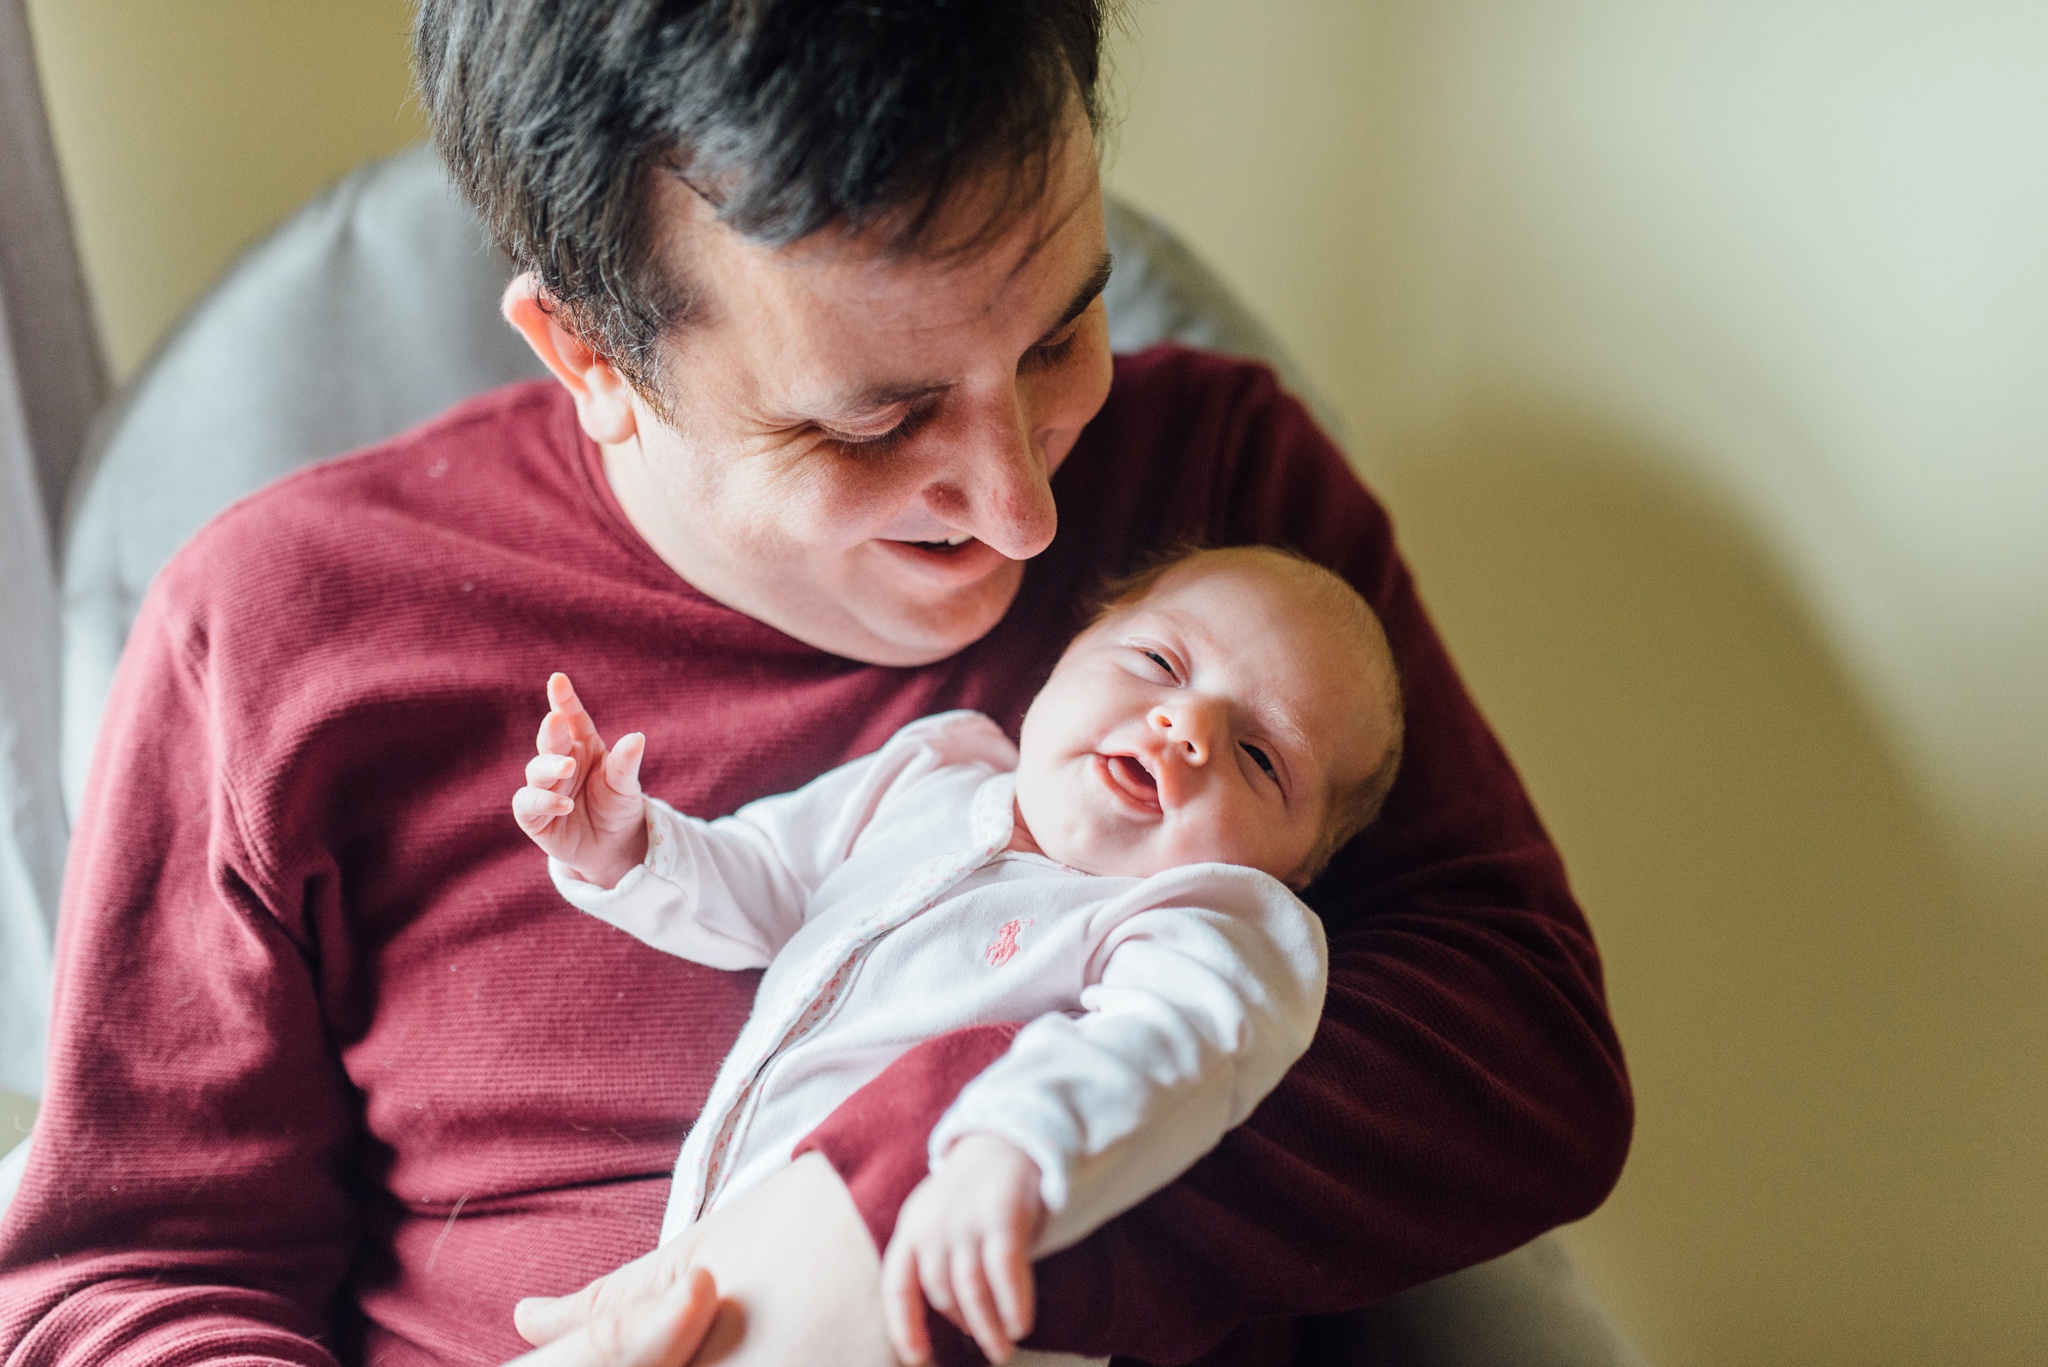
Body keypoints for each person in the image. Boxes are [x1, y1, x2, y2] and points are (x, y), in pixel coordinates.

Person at [0, 5, 1631, 1367]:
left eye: (1064, 339)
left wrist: (876, 1228)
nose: (1023, 512)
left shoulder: (1225, 512)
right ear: (586, 358)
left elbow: (1519, 1050)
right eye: (873, 426)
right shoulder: (281, 626)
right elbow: (126, 1272)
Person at [513, 546, 1404, 1366]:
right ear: (1072, 649)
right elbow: (771, 879)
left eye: (1258, 756)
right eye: (1161, 663)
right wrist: (631, 847)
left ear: (1292, 870)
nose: (1184, 724)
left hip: (941, 1283)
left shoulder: (1202, 920)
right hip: (730, 1263)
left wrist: (1015, 1145)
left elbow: (1170, 1042)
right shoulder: (929, 773)